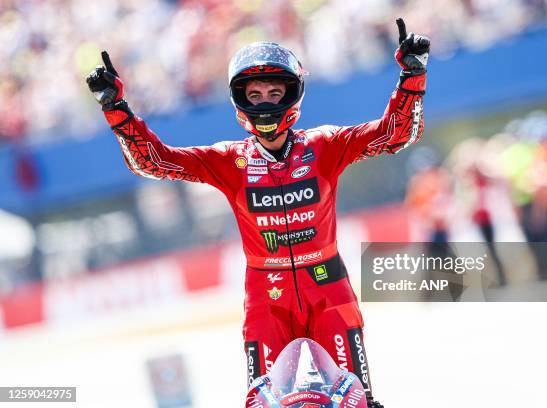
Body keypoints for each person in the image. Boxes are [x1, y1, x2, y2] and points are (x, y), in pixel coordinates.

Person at [86, 18, 429, 408]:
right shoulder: (228, 160)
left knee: (359, 401)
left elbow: (396, 134)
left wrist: (412, 76)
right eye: (255, 93)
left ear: (292, 94)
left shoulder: (327, 145)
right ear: (240, 100)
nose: (265, 101)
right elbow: (154, 163)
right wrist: (115, 107)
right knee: (263, 402)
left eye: (274, 91)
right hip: (266, 296)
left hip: (329, 286)